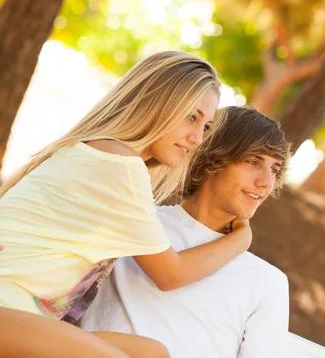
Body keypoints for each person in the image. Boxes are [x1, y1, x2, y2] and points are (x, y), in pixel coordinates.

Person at [0, 51, 253, 358]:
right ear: (156, 102)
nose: (198, 137)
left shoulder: (102, 151)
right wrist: (241, 238)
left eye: (206, 126)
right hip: (7, 305)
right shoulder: (118, 162)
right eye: (191, 117)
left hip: (21, 314)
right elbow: (170, 274)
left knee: (151, 353)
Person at [82, 106, 291, 358]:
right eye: (253, 161)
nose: (266, 183)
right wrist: (239, 240)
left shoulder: (268, 282)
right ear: (213, 156)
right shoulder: (138, 219)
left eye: (274, 169)